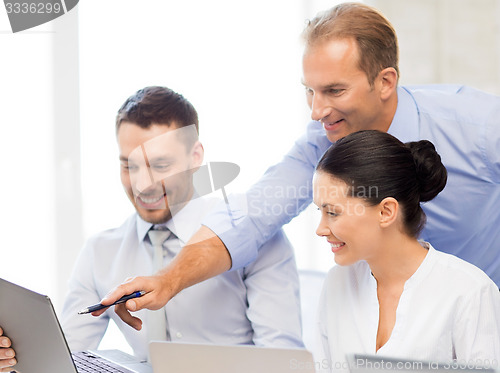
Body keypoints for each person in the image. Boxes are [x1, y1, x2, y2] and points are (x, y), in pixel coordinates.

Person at [100, 2, 500, 331]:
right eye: (309, 91)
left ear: (385, 82)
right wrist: (169, 280)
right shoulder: (321, 141)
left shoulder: (476, 126)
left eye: (333, 91)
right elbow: (250, 217)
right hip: (396, 330)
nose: (316, 110)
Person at [0, 86, 303, 370]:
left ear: (195, 157)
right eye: (129, 166)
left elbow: (285, 363)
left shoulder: (252, 236)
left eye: (160, 166)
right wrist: (16, 358)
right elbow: (65, 358)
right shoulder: (100, 251)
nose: (142, 185)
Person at [313, 130, 500, 371]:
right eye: (319, 211)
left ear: (386, 212)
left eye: (333, 213)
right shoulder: (338, 283)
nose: (320, 230)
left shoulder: (470, 292)